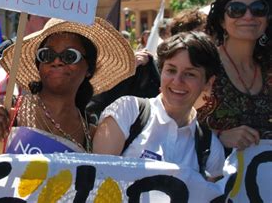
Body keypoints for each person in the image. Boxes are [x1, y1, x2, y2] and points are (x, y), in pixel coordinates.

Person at [0, 17, 136, 154]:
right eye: (47, 55)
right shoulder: (8, 112)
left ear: (89, 69)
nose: (57, 61)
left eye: (70, 56)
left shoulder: (92, 134)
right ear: (39, 65)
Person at [93, 32, 225, 179]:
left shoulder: (210, 147)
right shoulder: (127, 111)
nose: (177, 81)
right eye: (171, 70)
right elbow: (96, 182)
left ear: (208, 83)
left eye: (190, 74)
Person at [198, 0, 272, 149]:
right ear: (222, 20)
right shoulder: (203, 66)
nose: (248, 16)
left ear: (267, 18)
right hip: (214, 173)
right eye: (236, 10)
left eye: (258, 9)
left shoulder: (268, 69)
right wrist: (218, 136)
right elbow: (173, 122)